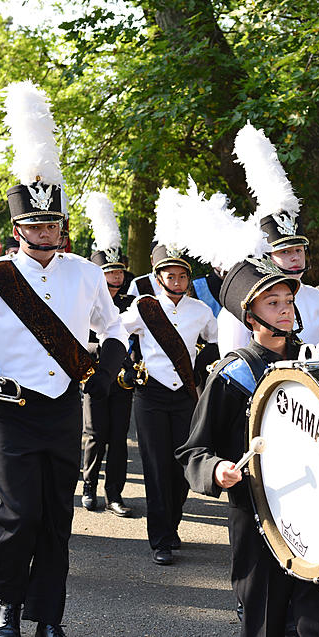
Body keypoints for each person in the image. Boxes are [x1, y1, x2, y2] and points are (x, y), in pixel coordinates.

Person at [0, 80, 128, 637]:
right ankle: (9, 606)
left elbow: (113, 328)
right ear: (16, 229)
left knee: (57, 520)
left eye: (53, 224)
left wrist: (102, 373)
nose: (45, 233)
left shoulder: (86, 273)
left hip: (61, 408)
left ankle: (50, 616)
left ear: (63, 226)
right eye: (34, 225)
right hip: (8, 410)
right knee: (17, 517)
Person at [178, 258, 319, 637]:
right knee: (265, 620)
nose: (285, 309)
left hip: (318, 516)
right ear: (250, 316)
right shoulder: (232, 374)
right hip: (258, 517)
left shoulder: (315, 364)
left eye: (289, 301)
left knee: (315, 623)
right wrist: (217, 469)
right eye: (273, 302)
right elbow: (194, 451)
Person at [120, 232, 218, 565]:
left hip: (185, 396)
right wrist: (126, 366)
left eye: (182, 275)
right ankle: (160, 538)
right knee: (156, 466)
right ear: (158, 277)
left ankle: (172, 524)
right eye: (169, 274)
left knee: (182, 464)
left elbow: (217, 342)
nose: (176, 280)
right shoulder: (143, 307)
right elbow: (115, 334)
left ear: (189, 278)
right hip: (150, 394)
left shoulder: (201, 310)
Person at [217, 123, 319, 355]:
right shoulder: (241, 306)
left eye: (298, 250)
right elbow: (234, 371)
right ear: (267, 257)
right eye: (284, 252)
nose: (294, 258)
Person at [80, 191, 136, 518]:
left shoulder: (132, 303)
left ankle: (114, 493)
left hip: (123, 380)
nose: (114, 279)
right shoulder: (84, 302)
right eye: (108, 273)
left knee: (119, 439)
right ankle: (88, 487)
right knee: (94, 434)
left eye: (117, 273)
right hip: (93, 376)